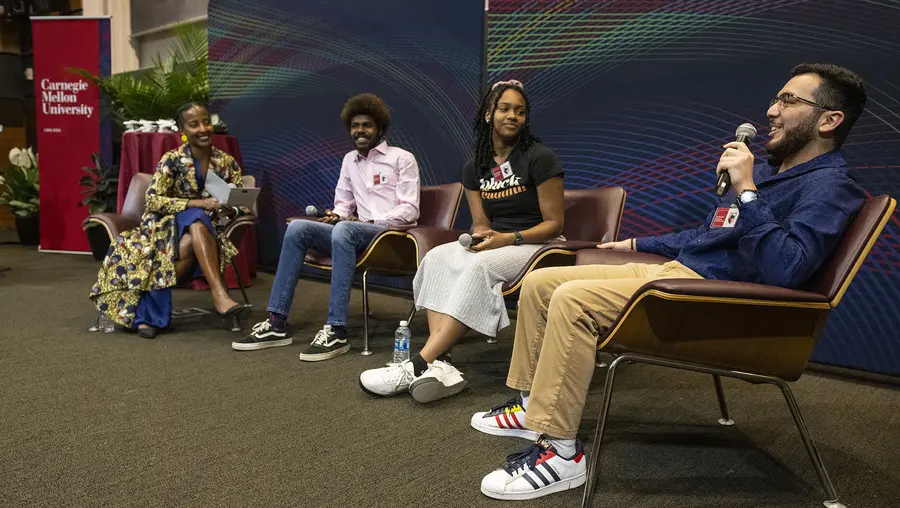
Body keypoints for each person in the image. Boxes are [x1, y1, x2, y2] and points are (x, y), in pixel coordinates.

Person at [471, 63, 868, 500]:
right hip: (682, 275)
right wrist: (638, 241)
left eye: (789, 101)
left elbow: (787, 267)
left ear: (830, 120)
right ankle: (533, 408)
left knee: (572, 300)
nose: (772, 110)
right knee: (542, 281)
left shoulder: (832, 186)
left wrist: (749, 191)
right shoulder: (778, 174)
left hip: (719, 303)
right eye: (776, 98)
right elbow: (711, 235)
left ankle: (562, 453)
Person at [358, 79, 566, 403]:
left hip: (537, 244)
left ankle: (417, 364)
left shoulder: (539, 157)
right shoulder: (475, 167)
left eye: (521, 112)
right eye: (505, 109)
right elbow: (482, 221)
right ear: (488, 114)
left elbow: (555, 224)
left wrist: (507, 239)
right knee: (438, 258)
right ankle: (443, 364)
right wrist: (481, 235)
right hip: (500, 240)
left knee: (479, 267)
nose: (513, 116)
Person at [232, 93, 420, 360]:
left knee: (344, 230)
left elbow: (410, 210)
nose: (360, 131)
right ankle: (276, 322)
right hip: (355, 233)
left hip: (391, 236)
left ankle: (337, 329)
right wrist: (337, 214)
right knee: (298, 227)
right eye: (355, 126)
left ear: (379, 128)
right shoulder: (349, 161)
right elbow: (343, 203)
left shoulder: (401, 158)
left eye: (366, 125)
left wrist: (368, 222)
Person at [90, 102, 249, 339]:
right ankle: (219, 294)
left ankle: (147, 315)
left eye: (206, 121)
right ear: (182, 129)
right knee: (196, 216)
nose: (203, 128)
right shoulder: (171, 160)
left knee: (196, 226)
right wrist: (197, 203)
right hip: (164, 225)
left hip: (204, 229)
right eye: (194, 124)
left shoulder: (226, 162)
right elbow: (153, 200)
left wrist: (228, 209)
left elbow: (240, 204)